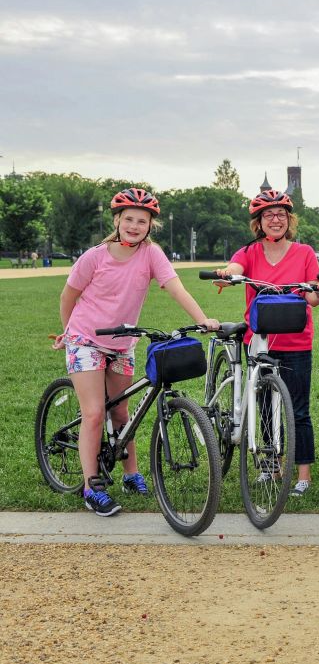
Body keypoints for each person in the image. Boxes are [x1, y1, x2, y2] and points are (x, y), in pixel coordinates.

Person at [53, 188, 219, 517]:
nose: (134, 225)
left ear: (150, 226)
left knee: (122, 415)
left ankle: (132, 474)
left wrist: (202, 320)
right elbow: (67, 296)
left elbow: (176, 288)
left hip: (123, 342)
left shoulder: (151, 254)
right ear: (116, 220)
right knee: (95, 414)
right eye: (128, 219)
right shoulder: (95, 257)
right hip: (85, 338)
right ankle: (91, 486)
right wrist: (69, 330)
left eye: (141, 221)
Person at [215, 189, 319, 497]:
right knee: (266, 405)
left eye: (281, 214)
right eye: (268, 215)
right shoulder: (249, 251)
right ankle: (271, 465)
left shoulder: (304, 252)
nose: (275, 219)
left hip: (296, 341)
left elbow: (311, 297)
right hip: (261, 341)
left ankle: (303, 474)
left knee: (299, 410)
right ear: (259, 222)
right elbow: (236, 268)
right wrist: (229, 273)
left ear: (289, 220)